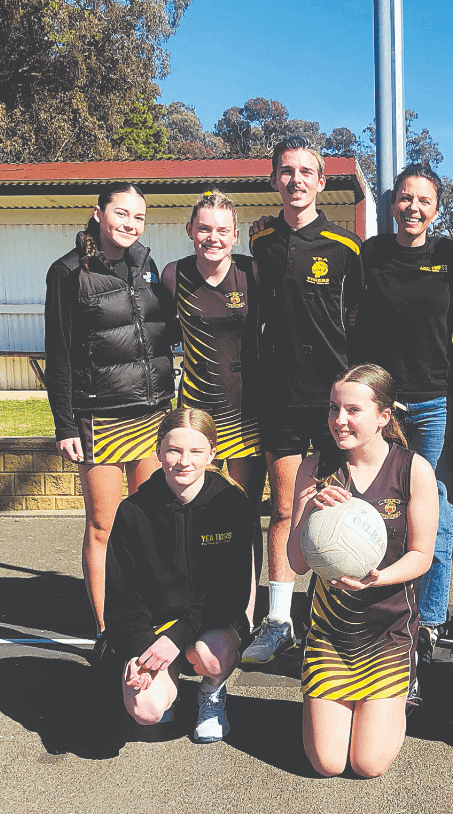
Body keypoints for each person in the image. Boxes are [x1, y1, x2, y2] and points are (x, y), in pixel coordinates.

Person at [242, 136, 364, 665]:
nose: (296, 180)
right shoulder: (261, 239)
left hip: (333, 400)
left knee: (339, 509)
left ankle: (335, 619)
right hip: (279, 396)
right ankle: (277, 620)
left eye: (306, 172)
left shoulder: (344, 245)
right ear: (275, 179)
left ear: (321, 181)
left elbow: (359, 325)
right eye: (286, 171)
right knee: (286, 508)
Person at [285, 364, 438, 777]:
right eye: (334, 408)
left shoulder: (413, 469)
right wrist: (308, 512)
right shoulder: (315, 469)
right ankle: (340, 703)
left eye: (353, 409)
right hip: (330, 635)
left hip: (387, 631)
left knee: (368, 764)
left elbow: (422, 555)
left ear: (384, 416)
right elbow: (296, 564)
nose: (340, 420)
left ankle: (399, 686)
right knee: (328, 764)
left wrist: (378, 577)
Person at [44, 182, 175, 639]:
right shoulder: (67, 272)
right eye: (121, 213)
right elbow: (57, 354)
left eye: (138, 217)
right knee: (105, 525)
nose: (130, 224)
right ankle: (106, 630)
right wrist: (65, 424)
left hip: (153, 413)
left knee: (146, 523)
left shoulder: (147, 264)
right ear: (98, 213)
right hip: (100, 416)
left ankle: (144, 618)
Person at [349, 163, 453, 668]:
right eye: (405, 198)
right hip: (384, 404)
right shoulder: (370, 254)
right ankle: (381, 603)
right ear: (392, 203)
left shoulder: (450, 256)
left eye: (424, 200)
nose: (413, 207)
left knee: (435, 507)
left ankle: (431, 620)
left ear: (436, 209)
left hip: (436, 401)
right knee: (378, 503)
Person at [103, 407, 255, 743]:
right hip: (158, 627)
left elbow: (231, 594)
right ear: (158, 451)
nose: (184, 461)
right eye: (173, 450)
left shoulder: (232, 505)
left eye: (196, 451)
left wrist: (177, 638)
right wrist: (139, 648)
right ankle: (166, 686)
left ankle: (212, 691)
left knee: (207, 653)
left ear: (212, 454)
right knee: (146, 710)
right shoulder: (132, 511)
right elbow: (123, 595)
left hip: (213, 623)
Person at [160, 190, 267, 619]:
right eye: (204, 228)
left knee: (242, 513)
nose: (213, 237)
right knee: (193, 510)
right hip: (196, 417)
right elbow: (157, 336)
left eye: (223, 230)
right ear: (190, 231)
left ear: (236, 234)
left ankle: (245, 608)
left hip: (247, 411)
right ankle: (194, 603)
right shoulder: (173, 276)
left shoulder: (252, 272)